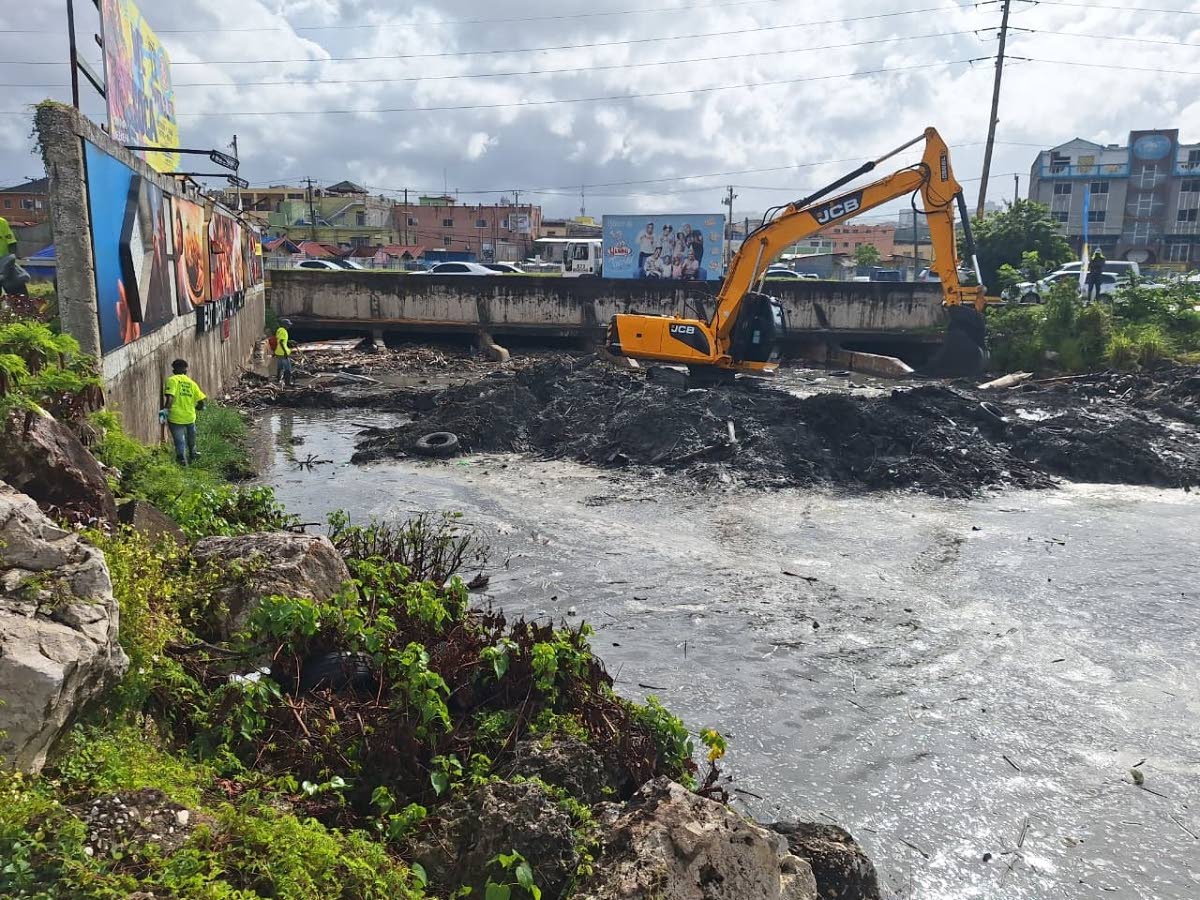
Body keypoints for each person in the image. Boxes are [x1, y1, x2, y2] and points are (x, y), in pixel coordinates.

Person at [162, 359, 206, 465]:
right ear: (185, 371)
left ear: (173, 370)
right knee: (191, 437)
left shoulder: (172, 380)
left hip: (175, 417)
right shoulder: (192, 383)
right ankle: (193, 454)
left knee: (179, 440)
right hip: (190, 416)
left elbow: (170, 398)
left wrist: (165, 411)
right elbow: (201, 402)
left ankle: (181, 459)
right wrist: (198, 407)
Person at [274, 318, 295, 386]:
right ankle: (287, 383)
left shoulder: (279, 330)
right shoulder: (283, 331)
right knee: (287, 368)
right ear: (284, 325)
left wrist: (289, 341)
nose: (289, 326)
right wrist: (285, 352)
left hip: (278, 352)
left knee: (280, 366)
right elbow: (281, 342)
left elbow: (281, 340)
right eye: (288, 325)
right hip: (283, 353)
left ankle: (278, 379)